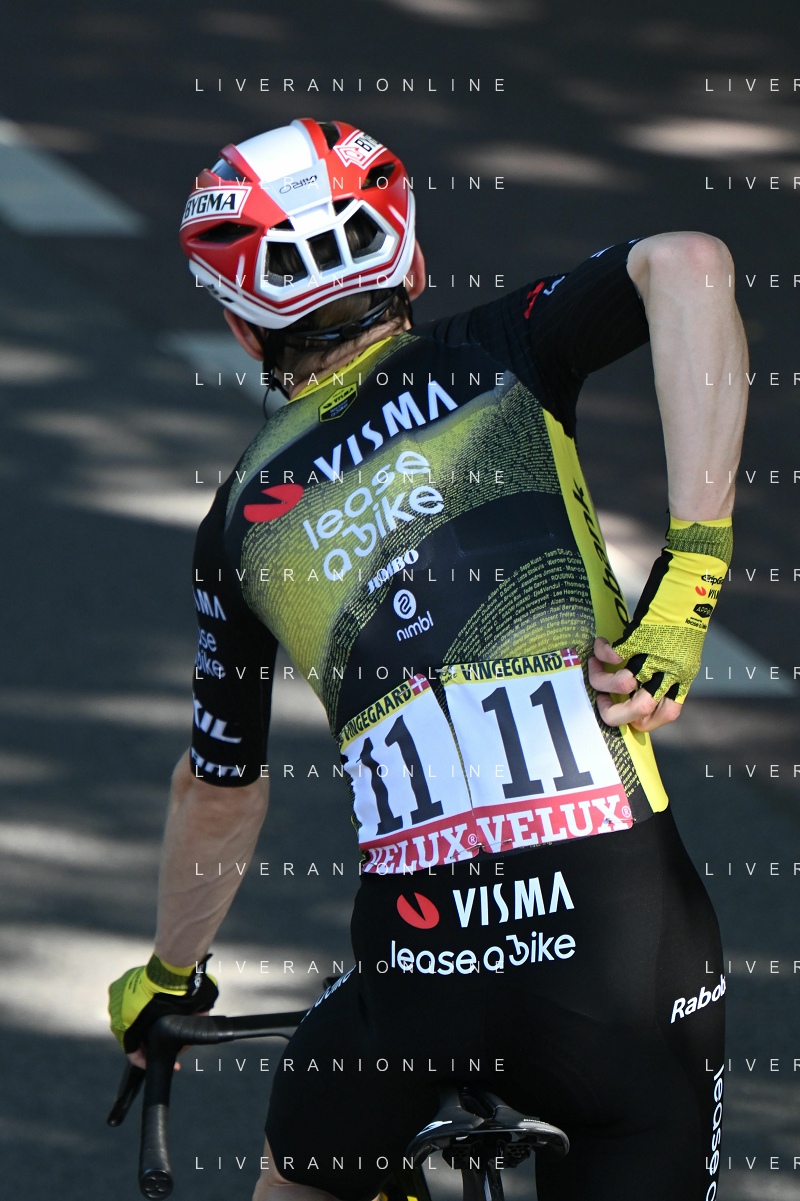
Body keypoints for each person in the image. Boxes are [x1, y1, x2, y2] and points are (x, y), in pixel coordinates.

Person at [108, 119, 747, 1201]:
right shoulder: (503, 351)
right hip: (628, 965)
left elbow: (220, 790)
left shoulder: (238, 524)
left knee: (301, 1176)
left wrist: (171, 975)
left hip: (420, 981)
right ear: (410, 264)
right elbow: (688, 262)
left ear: (240, 324)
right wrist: (689, 578)